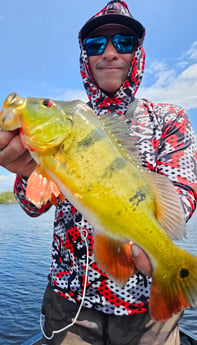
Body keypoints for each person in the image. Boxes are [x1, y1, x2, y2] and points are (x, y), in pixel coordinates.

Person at [0, 1, 197, 344]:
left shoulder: (169, 118)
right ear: (84, 57)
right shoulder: (70, 118)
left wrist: (154, 252)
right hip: (69, 309)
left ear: (138, 54)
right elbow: (33, 207)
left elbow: (181, 197)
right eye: (95, 45)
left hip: (146, 316)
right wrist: (24, 171)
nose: (109, 53)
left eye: (123, 42)